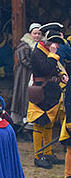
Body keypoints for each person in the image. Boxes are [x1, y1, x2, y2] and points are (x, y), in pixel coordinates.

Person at [28, 33, 66, 169]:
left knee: (48, 123)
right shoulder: (38, 53)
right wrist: (53, 54)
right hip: (41, 92)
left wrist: (61, 75)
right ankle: (38, 156)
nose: (57, 46)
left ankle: (48, 153)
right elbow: (45, 69)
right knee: (39, 123)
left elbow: (53, 70)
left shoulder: (47, 52)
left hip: (51, 91)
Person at [11, 24, 39, 125]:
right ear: (30, 34)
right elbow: (24, 60)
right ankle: (23, 122)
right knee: (24, 95)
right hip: (24, 74)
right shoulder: (24, 46)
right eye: (35, 33)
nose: (37, 36)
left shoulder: (42, 46)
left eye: (39, 34)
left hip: (36, 75)